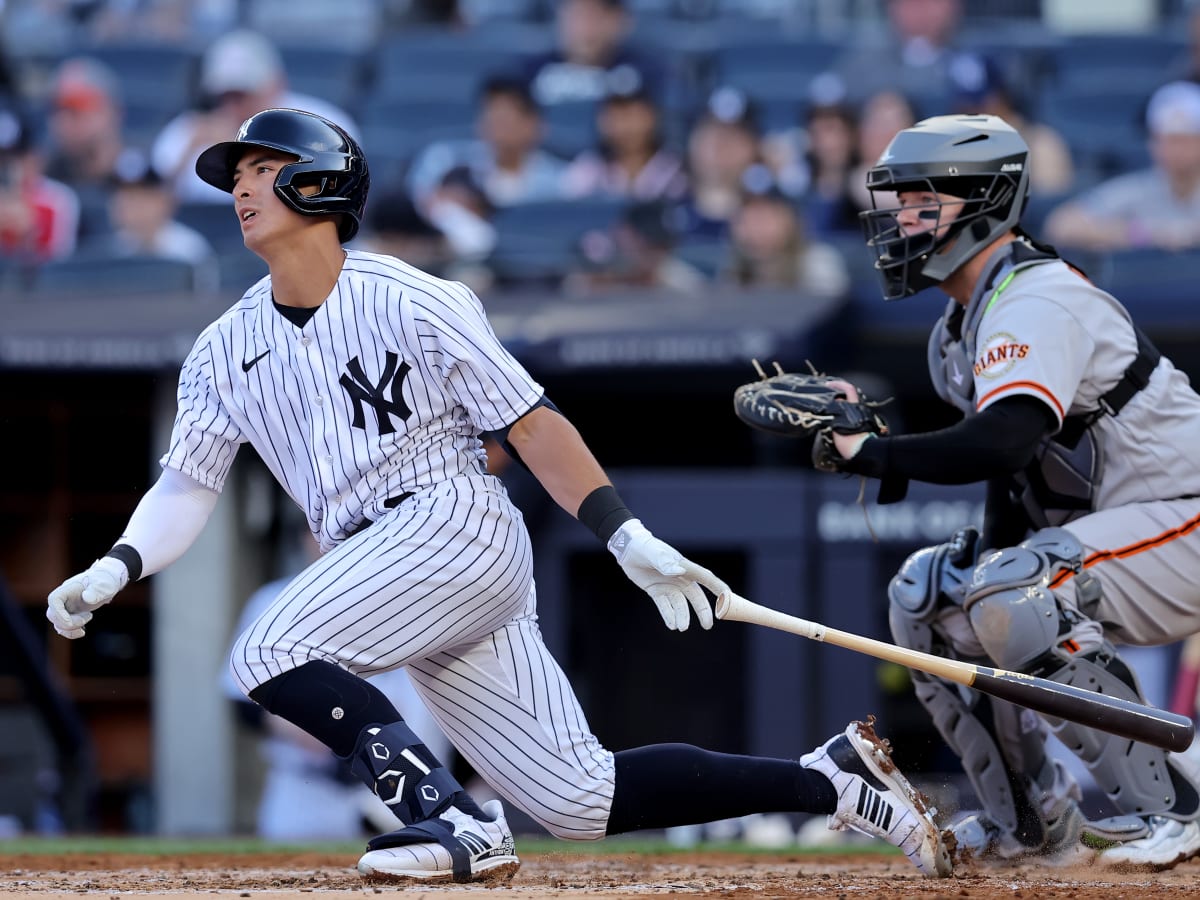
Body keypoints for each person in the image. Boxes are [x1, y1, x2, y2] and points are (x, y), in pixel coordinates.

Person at [44, 107, 950, 884]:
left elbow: (531, 420)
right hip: (383, 560)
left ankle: (454, 822)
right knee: (581, 798)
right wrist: (117, 562)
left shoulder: (413, 297)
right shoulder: (220, 347)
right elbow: (187, 486)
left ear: (322, 185)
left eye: (265, 169)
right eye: (235, 173)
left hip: (451, 521)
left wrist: (623, 535)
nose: (241, 188)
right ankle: (832, 779)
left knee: (268, 646)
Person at [812, 112, 1200, 868]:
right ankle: (1029, 822)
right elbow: (1012, 477)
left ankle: (1176, 806)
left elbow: (1005, 438)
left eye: (924, 200)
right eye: (901, 201)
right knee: (931, 596)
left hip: (1187, 518)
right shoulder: (961, 324)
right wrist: (975, 596)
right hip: (1137, 540)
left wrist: (877, 456)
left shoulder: (1034, 297)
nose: (902, 218)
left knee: (1017, 588)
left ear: (984, 199)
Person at [150, 29, 359, 204]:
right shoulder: (188, 131)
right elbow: (150, 205)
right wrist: (190, 152)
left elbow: (340, 197)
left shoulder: (323, 125)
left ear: (276, 84)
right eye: (225, 96)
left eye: (242, 95)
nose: (233, 106)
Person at [1043, 80, 1200, 252]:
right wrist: (1141, 235)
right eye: (1167, 140)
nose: (1176, 150)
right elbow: (1062, 225)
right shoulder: (1140, 189)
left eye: (1186, 140)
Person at [404, 77, 567, 210]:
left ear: (536, 125)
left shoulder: (561, 183)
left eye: (507, 118)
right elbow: (411, 205)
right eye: (492, 115)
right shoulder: (444, 161)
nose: (498, 126)